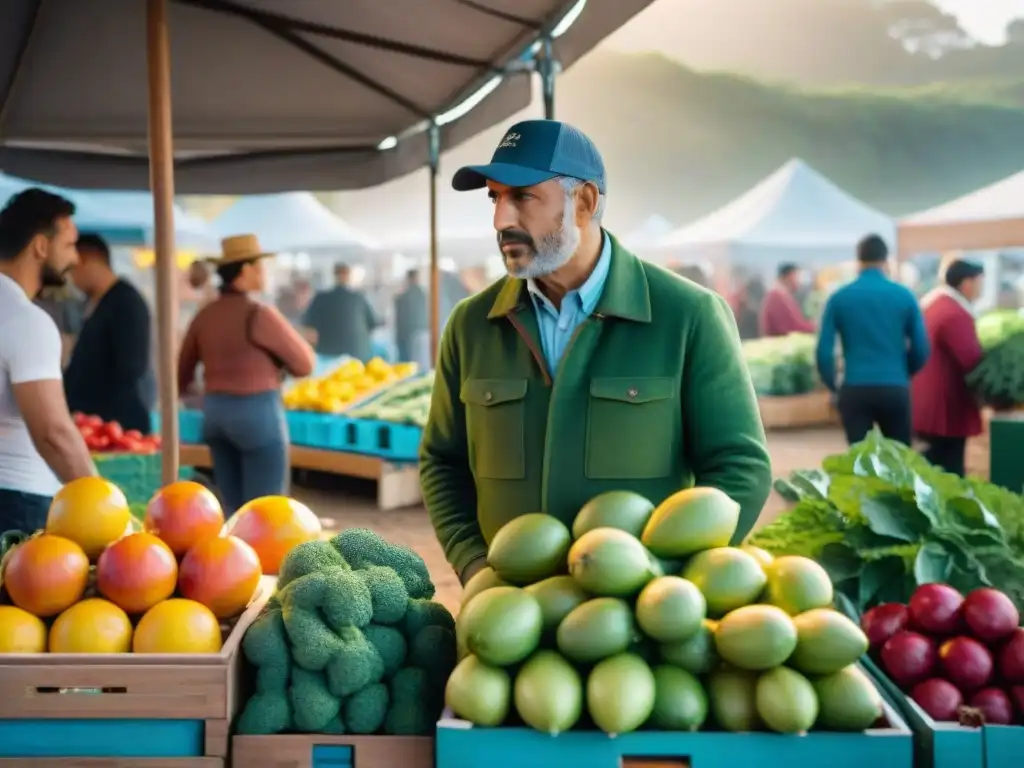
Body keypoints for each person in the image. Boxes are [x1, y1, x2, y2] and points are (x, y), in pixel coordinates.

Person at [419, 119, 772, 585]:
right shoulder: (471, 325)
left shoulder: (689, 315)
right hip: (506, 618)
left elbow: (740, 469)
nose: (501, 220)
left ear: (583, 203)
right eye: (494, 197)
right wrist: (472, 562)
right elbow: (442, 461)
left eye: (522, 197)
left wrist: (665, 582)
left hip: (639, 629)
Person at [178, 235, 316, 513]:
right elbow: (305, 364)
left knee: (232, 508)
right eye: (259, 267)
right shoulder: (259, 313)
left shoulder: (205, 315)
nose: (263, 274)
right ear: (245, 270)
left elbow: (182, 374)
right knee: (267, 512)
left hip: (215, 414)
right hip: (257, 414)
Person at [0, 189, 96, 532]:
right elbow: (54, 434)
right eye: (69, 246)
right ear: (41, 247)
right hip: (15, 504)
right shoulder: (26, 321)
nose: (76, 260)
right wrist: (102, 503)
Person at [816, 234, 930, 446]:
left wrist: (834, 385)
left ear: (858, 260)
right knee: (899, 463)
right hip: (894, 388)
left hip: (855, 388)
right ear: (886, 259)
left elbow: (824, 352)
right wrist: (903, 372)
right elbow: (922, 348)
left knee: (860, 463)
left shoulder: (839, 298)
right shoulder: (904, 296)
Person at [64, 234, 153, 434]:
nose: (71, 278)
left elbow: (131, 367)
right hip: (90, 423)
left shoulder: (126, 303)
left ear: (87, 261)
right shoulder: (92, 302)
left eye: (72, 269)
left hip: (117, 426)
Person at [912, 259, 985, 476]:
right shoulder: (955, 314)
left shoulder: (936, 305)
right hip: (945, 406)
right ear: (966, 283)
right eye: (980, 282)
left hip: (928, 401)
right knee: (948, 467)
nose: (981, 288)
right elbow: (971, 359)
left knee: (936, 461)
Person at [302, 262, 381, 361]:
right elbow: (373, 323)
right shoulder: (359, 298)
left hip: (328, 356)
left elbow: (307, 325)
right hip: (358, 356)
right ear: (348, 276)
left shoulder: (320, 299)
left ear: (334, 276)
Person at [759, 263, 815, 337]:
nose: (799, 281)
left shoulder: (780, 296)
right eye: (797, 277)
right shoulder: (777, 297)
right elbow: (792, 327)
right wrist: (814, 326)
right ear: (790, 276)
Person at [394, 268, 428, 363]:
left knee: (406, 366)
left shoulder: (401, 297)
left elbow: (398, 319)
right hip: (421, 333)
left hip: (405, 336)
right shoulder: (425, 296)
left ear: (408, 279)